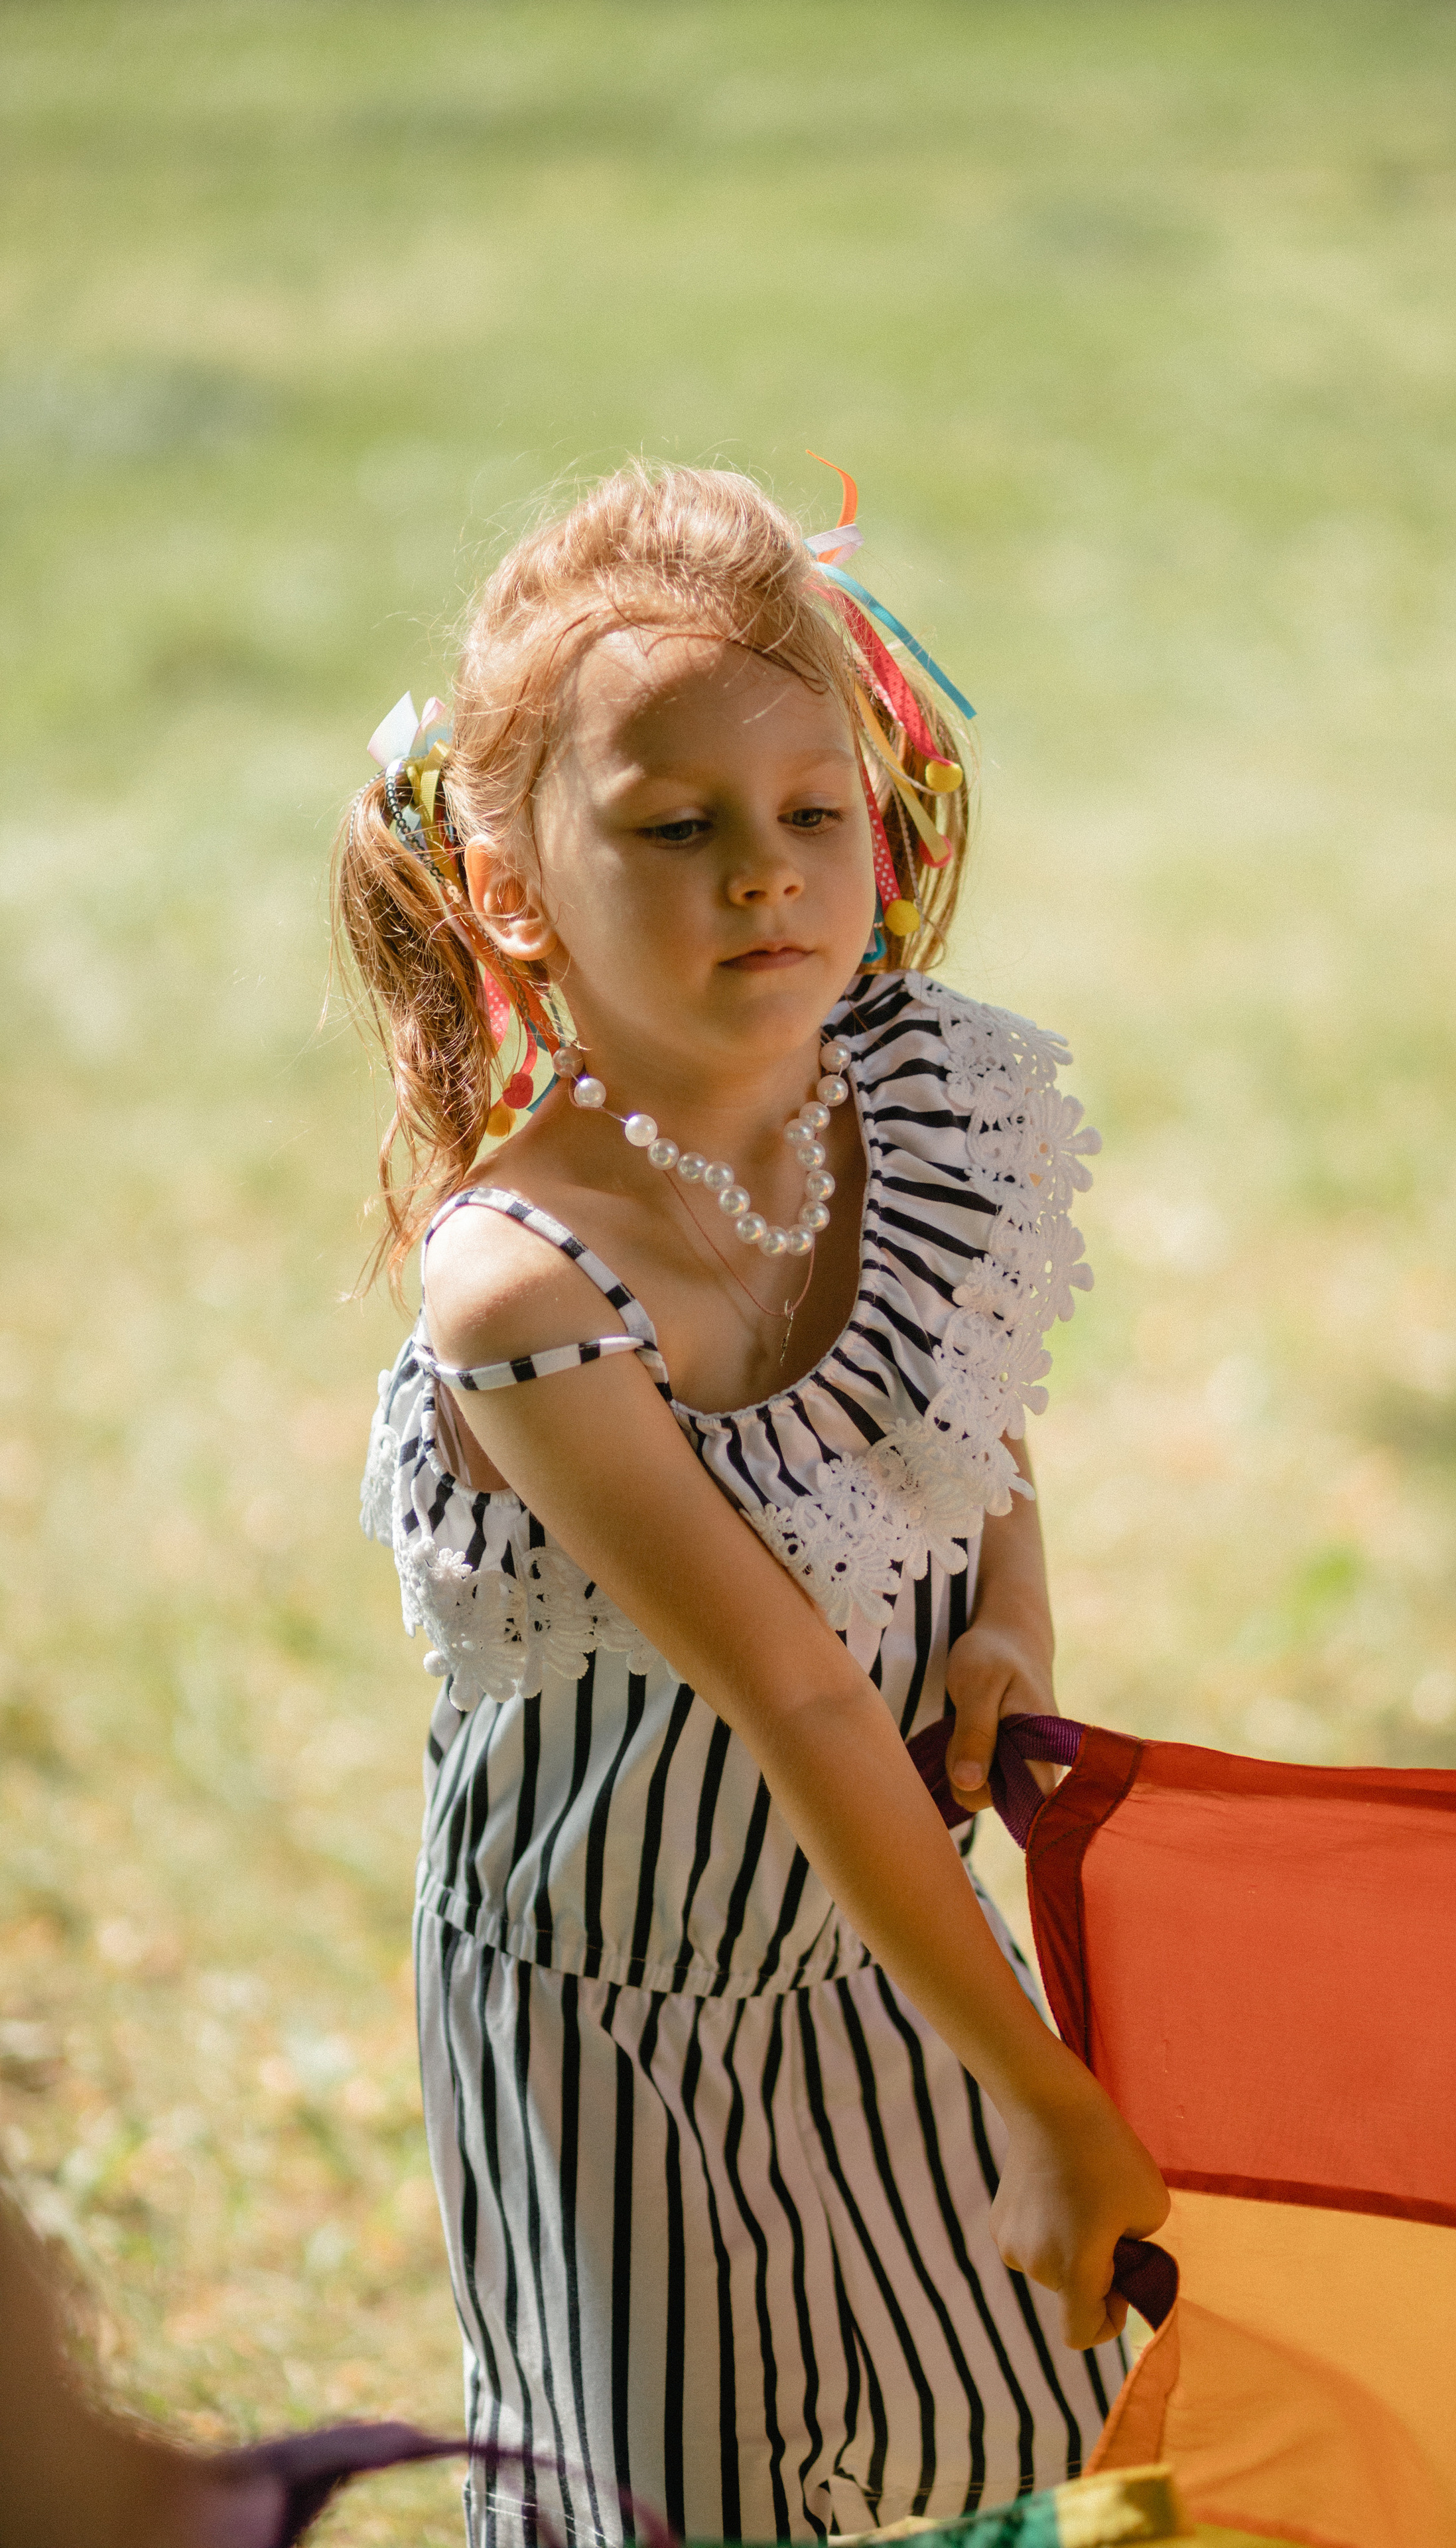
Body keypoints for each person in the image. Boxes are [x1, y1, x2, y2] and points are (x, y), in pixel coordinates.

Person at [337, 460, 1167, 2547]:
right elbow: (794, 1704)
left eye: (811, 817)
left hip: (883, 1937)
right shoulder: (527, 1286)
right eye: (674, 828)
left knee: (1021, 2412)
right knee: (685, 2488)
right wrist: (1052, 2097)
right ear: (518, 887)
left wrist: (1011, 1615)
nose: (764, 881)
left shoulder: (910, 1089)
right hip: (613, 1992)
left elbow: (955, 1392)